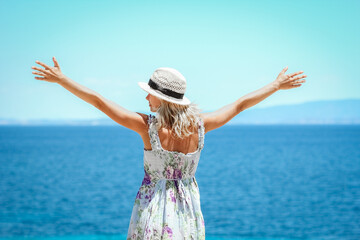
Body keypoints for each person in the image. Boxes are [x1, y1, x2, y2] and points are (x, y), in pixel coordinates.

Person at [31, 57, 307, 239]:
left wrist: (62, 80)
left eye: (150, 93)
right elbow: (239, 104)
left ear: (161, 98)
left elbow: (100, 102)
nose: (146, 96)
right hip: (188, 208)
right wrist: (276, 85)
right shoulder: (201, 125)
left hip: (154, 206)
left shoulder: (147, 127)